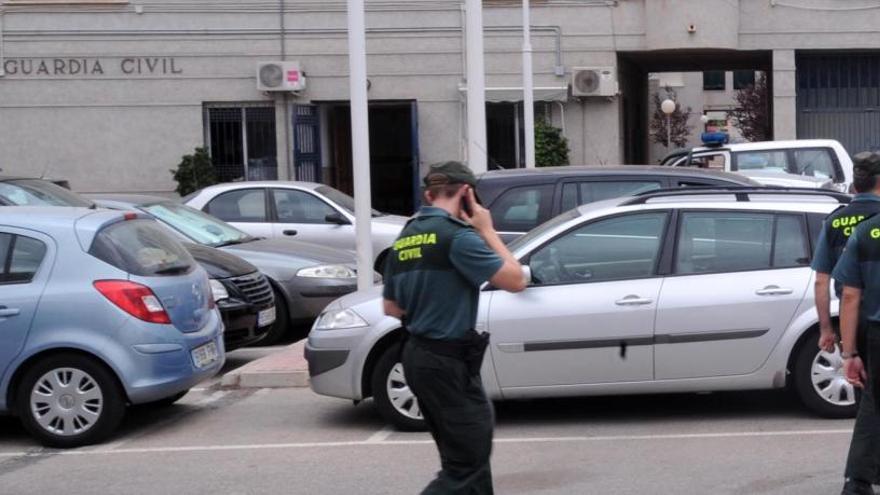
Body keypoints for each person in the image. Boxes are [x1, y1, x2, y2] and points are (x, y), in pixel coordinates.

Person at [382, 161, 526, 494]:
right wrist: (487, 230)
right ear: (466, 194)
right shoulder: (458, 238)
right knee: (467, 466)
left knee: (466, 460)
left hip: (419, 356)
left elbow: (391, 307)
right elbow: (516, 280)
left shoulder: (405, 238)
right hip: (446, 362)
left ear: (428, 194)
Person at [832, 151, 880, 495]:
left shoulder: (864, 232)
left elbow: (850, 296)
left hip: (877, 335)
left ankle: (857, 484)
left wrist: (850, 353)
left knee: (874, 405)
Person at [813, 152, 880, 355]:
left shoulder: (833, 222)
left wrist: (826, 329)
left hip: (852, 321)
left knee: (861, 380)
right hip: (875, 316)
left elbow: (820, 282)